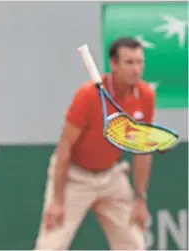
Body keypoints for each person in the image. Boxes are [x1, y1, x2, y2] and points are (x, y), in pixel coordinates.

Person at [34, 37, 155, 250]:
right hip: (75, 177)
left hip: (112, 177)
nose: (136, 69)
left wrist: (139, 198)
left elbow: (142, 152)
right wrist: (58, 200)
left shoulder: (145, 96)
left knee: (134, 245)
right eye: (129, 63)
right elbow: (65, 148)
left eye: (140, 62)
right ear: (114, 65)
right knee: (50, 246)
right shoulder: (88, 95)